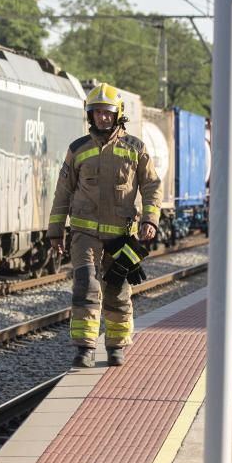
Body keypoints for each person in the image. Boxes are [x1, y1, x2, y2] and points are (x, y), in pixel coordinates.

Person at [48, 83, 162, 368]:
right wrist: (55, 231)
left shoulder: (135, 149)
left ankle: (115, 346)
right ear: (90, 115)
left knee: (117, 290)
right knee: (85, 285)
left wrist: (150, 218)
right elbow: (62, 192)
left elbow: (152, 186)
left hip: (122, 237)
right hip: (84, 235)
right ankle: (84, 348)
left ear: (117, 114)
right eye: (96, 113)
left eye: (107, 112)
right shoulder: (78, 150)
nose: (102, 118)